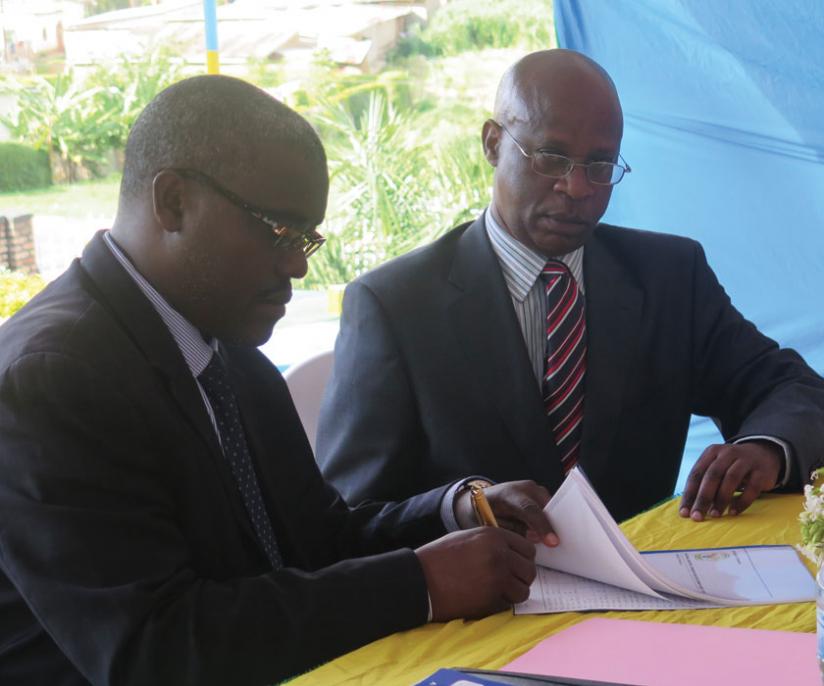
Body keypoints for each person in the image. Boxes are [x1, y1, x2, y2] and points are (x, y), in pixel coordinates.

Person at [0, 75, 556, 685]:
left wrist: (458, 511)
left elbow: (316, 539)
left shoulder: (227, 351)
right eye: (277, 231)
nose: (297, 265)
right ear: (173, 203)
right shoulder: (51, 378)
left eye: (308, 239)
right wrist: (419, 584)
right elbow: (153, 648)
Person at [316, 48, 824, 524]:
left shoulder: (669, 277)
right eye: (551, 159)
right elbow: (347, 516)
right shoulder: (395, 306)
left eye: (599, 166)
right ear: (493, 144)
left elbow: (792, 389)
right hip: (483, 605)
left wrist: (765, 449)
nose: (576, 189)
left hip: (645, 590)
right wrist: (462, 508)